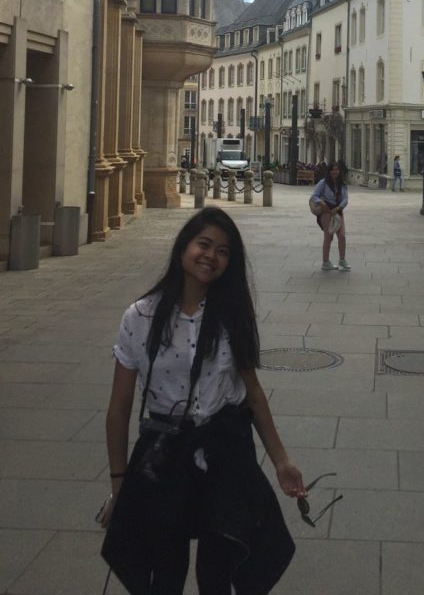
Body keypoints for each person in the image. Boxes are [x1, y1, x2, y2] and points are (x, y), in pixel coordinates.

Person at [99, 208, 306, 595]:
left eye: (223, 251)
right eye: (204, 244)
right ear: (184, 247)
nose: (211, 256)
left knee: (219, 567)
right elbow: (119, 408)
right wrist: (119, 483)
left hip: (224, 454)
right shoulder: (139, 317)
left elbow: (253, 393)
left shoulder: (232, 315)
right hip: (165, 457)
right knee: (164, 567)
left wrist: (281, 460)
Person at [311, 161, 350, 271]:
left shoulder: (342, 184)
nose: (335, 172)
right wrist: (322, 202)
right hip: (327, 213)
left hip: (338, 212)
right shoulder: (323, 183)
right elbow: (314, 196)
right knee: (328, 237)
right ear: (329, 171)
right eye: (333, 169)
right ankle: (326, 262)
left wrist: (338, 208)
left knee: (342, 236)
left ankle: (342, 260)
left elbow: (345, 199)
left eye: (337, 169)